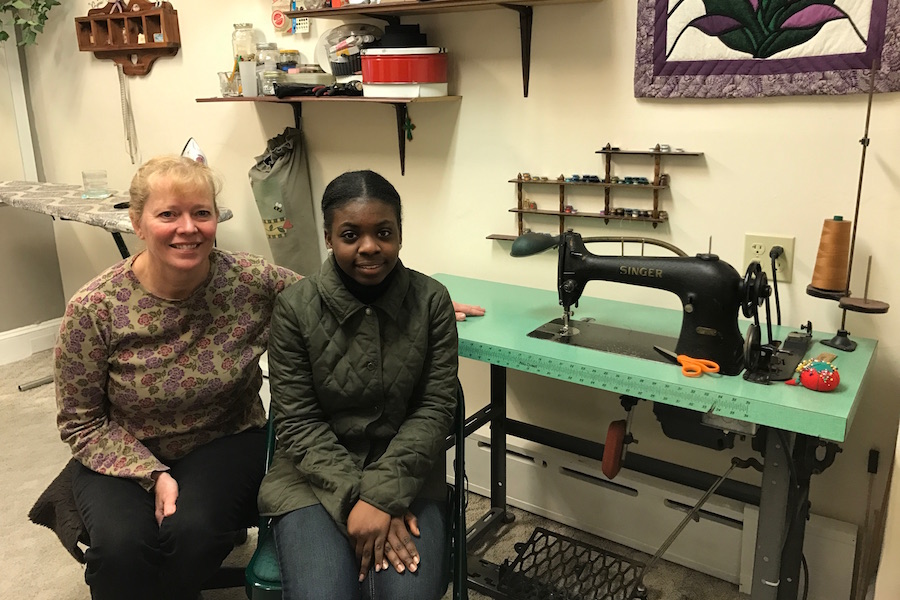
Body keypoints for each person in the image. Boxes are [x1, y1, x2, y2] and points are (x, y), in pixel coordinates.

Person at [51, 156, 483, 599]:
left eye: (201, 212)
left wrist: (421, 307)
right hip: (128, 450)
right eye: (168, 214)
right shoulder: (95, 308)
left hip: (220, 441)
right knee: (122, 550)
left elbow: (340, 300)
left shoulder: (250, 280)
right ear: (136, 223)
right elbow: (80, 421)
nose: (188, 227)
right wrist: (152, 473)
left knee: (193, 532)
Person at [257, 170, 458, 600]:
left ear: (400, 234)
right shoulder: (294, 309)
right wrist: (357, 501)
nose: (369, 247)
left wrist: (383, 496)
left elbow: (435, 408)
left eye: (383, 232)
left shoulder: (432, 301)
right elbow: (297, 422)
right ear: (329, 238)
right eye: (351, 234)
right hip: (311, 476)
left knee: (408, 596)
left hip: (408, 471)